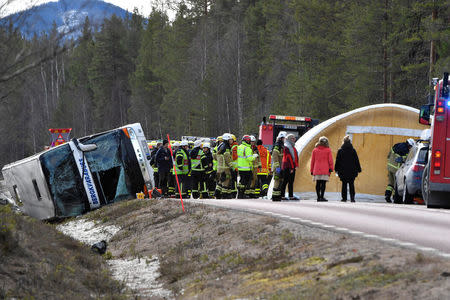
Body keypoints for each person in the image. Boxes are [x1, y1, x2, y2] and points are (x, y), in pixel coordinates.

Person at [385, 138, 415, 203]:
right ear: (409, 145)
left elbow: (389, 155)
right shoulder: (406, 150)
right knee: (396, 184)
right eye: (410, 147)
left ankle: (387, 195)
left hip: (389, 167)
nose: (410, 148)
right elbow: (405, 160)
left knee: (390, 183)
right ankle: (394, 197)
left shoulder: (396, 145)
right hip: (396, 168)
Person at [334, 135, 361, 202]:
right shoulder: (353, 150)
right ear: (350, 142)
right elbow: (356, 160)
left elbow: (337, 161)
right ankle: (352, 198)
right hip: (352, 171)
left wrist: (336, 169)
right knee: (351, 184)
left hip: (343, 171)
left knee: (344, 184)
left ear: (343, 142)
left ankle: (344, 198)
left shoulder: (340, 150)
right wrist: (359, 169)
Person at [310, 136, 333, 202]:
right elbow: (330, 160)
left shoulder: (315, 150)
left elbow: (312, 161)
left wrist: (311, 170)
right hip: (325, 169)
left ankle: (318, 197)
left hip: (316, 169)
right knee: (323, 183)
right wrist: (331, 168)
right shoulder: (328, 150)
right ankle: (322, 197)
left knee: (317, 183)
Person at [215, 133, 234, 199]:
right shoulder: (226, 147)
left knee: (221, 181)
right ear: (227, 140)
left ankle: (217, 192)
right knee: (226, 181)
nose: (231, 141)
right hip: (225, 168)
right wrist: (231, 167)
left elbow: (215, 156)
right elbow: (227, 158)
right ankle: (225, 194)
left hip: (219, 168)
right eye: (230, 139)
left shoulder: (220, 146)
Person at [281, 134, 299, 200]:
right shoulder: (287, 147)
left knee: (291, 182)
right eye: (292, 138)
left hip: (292, 166)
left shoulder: (292, 147)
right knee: (285, 181)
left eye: (294, 138)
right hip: (287, 167)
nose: (294, 139)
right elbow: (288, 158)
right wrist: (291, 167)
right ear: (289, 139)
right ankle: (282, 195)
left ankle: (291, 195)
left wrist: (295, 166)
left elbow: (295, 157)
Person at [271, 131, 287, 201]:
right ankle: (274, 196)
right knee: (277, 181)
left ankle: (278, 196)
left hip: (281, 167)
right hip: (277, 167)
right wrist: (277, 167)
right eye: (283, 138)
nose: (284, 140)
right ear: (281, 138)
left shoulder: (282, 146)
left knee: (280, 180)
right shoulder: (277, 146)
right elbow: (275, 156)